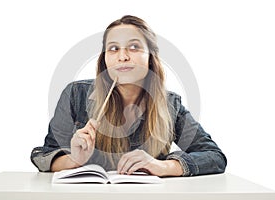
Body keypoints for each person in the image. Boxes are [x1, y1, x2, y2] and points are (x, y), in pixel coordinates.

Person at [31, 15, 227, 176]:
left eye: (134, 47)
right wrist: (74, 159)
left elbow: (214, 156)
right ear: (105, 59)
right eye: (113, 48)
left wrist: (163, 166)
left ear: (151, 57)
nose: (122, 56)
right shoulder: (75, 94)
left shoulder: (169, 104)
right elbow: (43, 156)